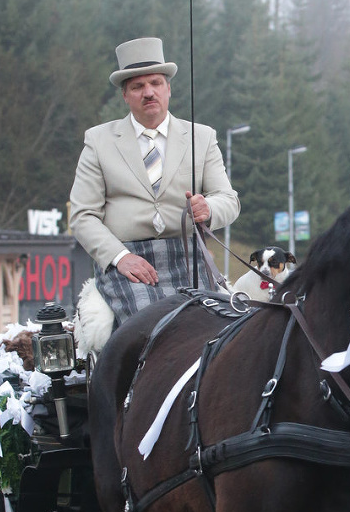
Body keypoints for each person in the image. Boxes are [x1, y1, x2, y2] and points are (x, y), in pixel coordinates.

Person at [69, 36, 240, 320]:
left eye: (156, 83)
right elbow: (83, 215)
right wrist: (120, 258)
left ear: (168, 89)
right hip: (128, 262)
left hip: (189, 258)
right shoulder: (98, 141)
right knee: (151, 328)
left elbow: (229, 200)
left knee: (218, 327)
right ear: (125, 95)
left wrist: (208, 209)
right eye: (137, 86)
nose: (148, 92)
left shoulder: (202, 137)